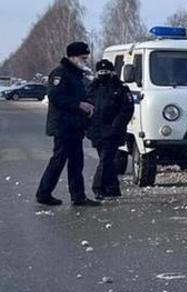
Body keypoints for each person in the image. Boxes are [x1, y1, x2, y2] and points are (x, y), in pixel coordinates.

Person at [36, 41, 98, 207]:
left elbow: (80, 95)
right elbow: (56, 96)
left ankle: (78, 196)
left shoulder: (76, 75)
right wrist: (79, 105)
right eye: (83, 57)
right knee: (58, 160)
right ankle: (43, 193)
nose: (85, 60)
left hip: (75, 126)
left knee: (77, 162)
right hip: (63, 126)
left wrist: (87, 104)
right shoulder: (61, 73)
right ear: (73, 56)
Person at [85, 59, 134, 201]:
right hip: (96, 131)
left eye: (106, 71)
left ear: (112, 72)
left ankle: (98, 187)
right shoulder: (92, 88)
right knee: (106, 160)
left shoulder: (120, 88)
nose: (103, 74)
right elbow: (86, 108)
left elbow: (127, 109)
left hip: (113, 131)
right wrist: (87, 126)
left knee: (106, 159)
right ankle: (112, 188)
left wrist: (116, 126)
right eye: (101, 72)